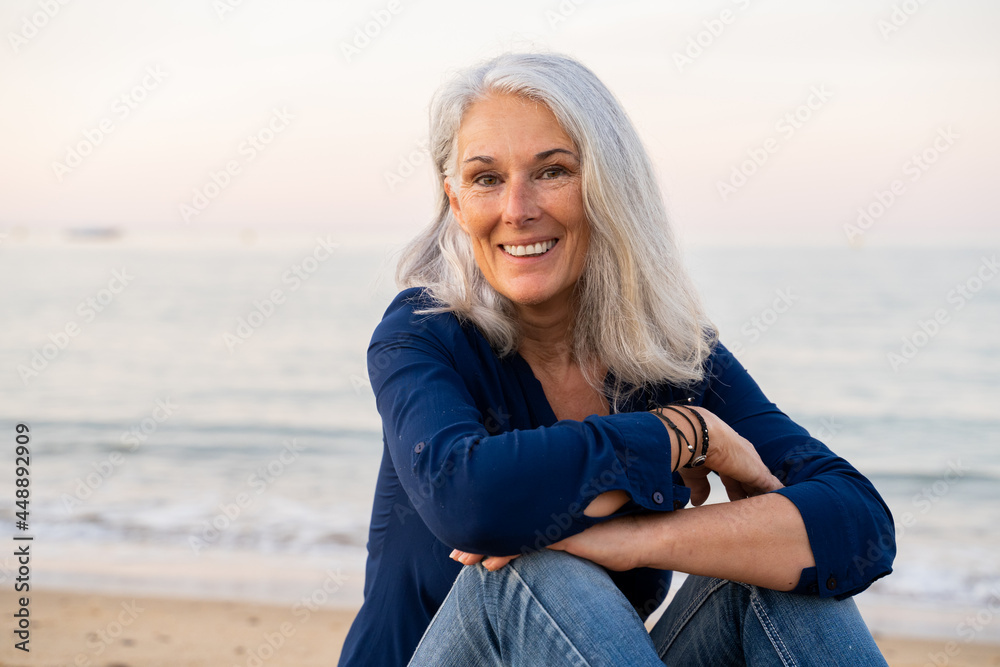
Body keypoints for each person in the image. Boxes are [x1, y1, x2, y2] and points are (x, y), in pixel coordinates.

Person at [337, 52, 895, 666]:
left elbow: (860, 526)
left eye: (552, 171)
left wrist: (631, 540)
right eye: (486, 179)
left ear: (610, 185)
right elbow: (471, 502)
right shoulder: (423, 331)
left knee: (788, 572)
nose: (517, 209)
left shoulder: (675, 357)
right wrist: (683, 434)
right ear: (456, 200)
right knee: (533, 566)